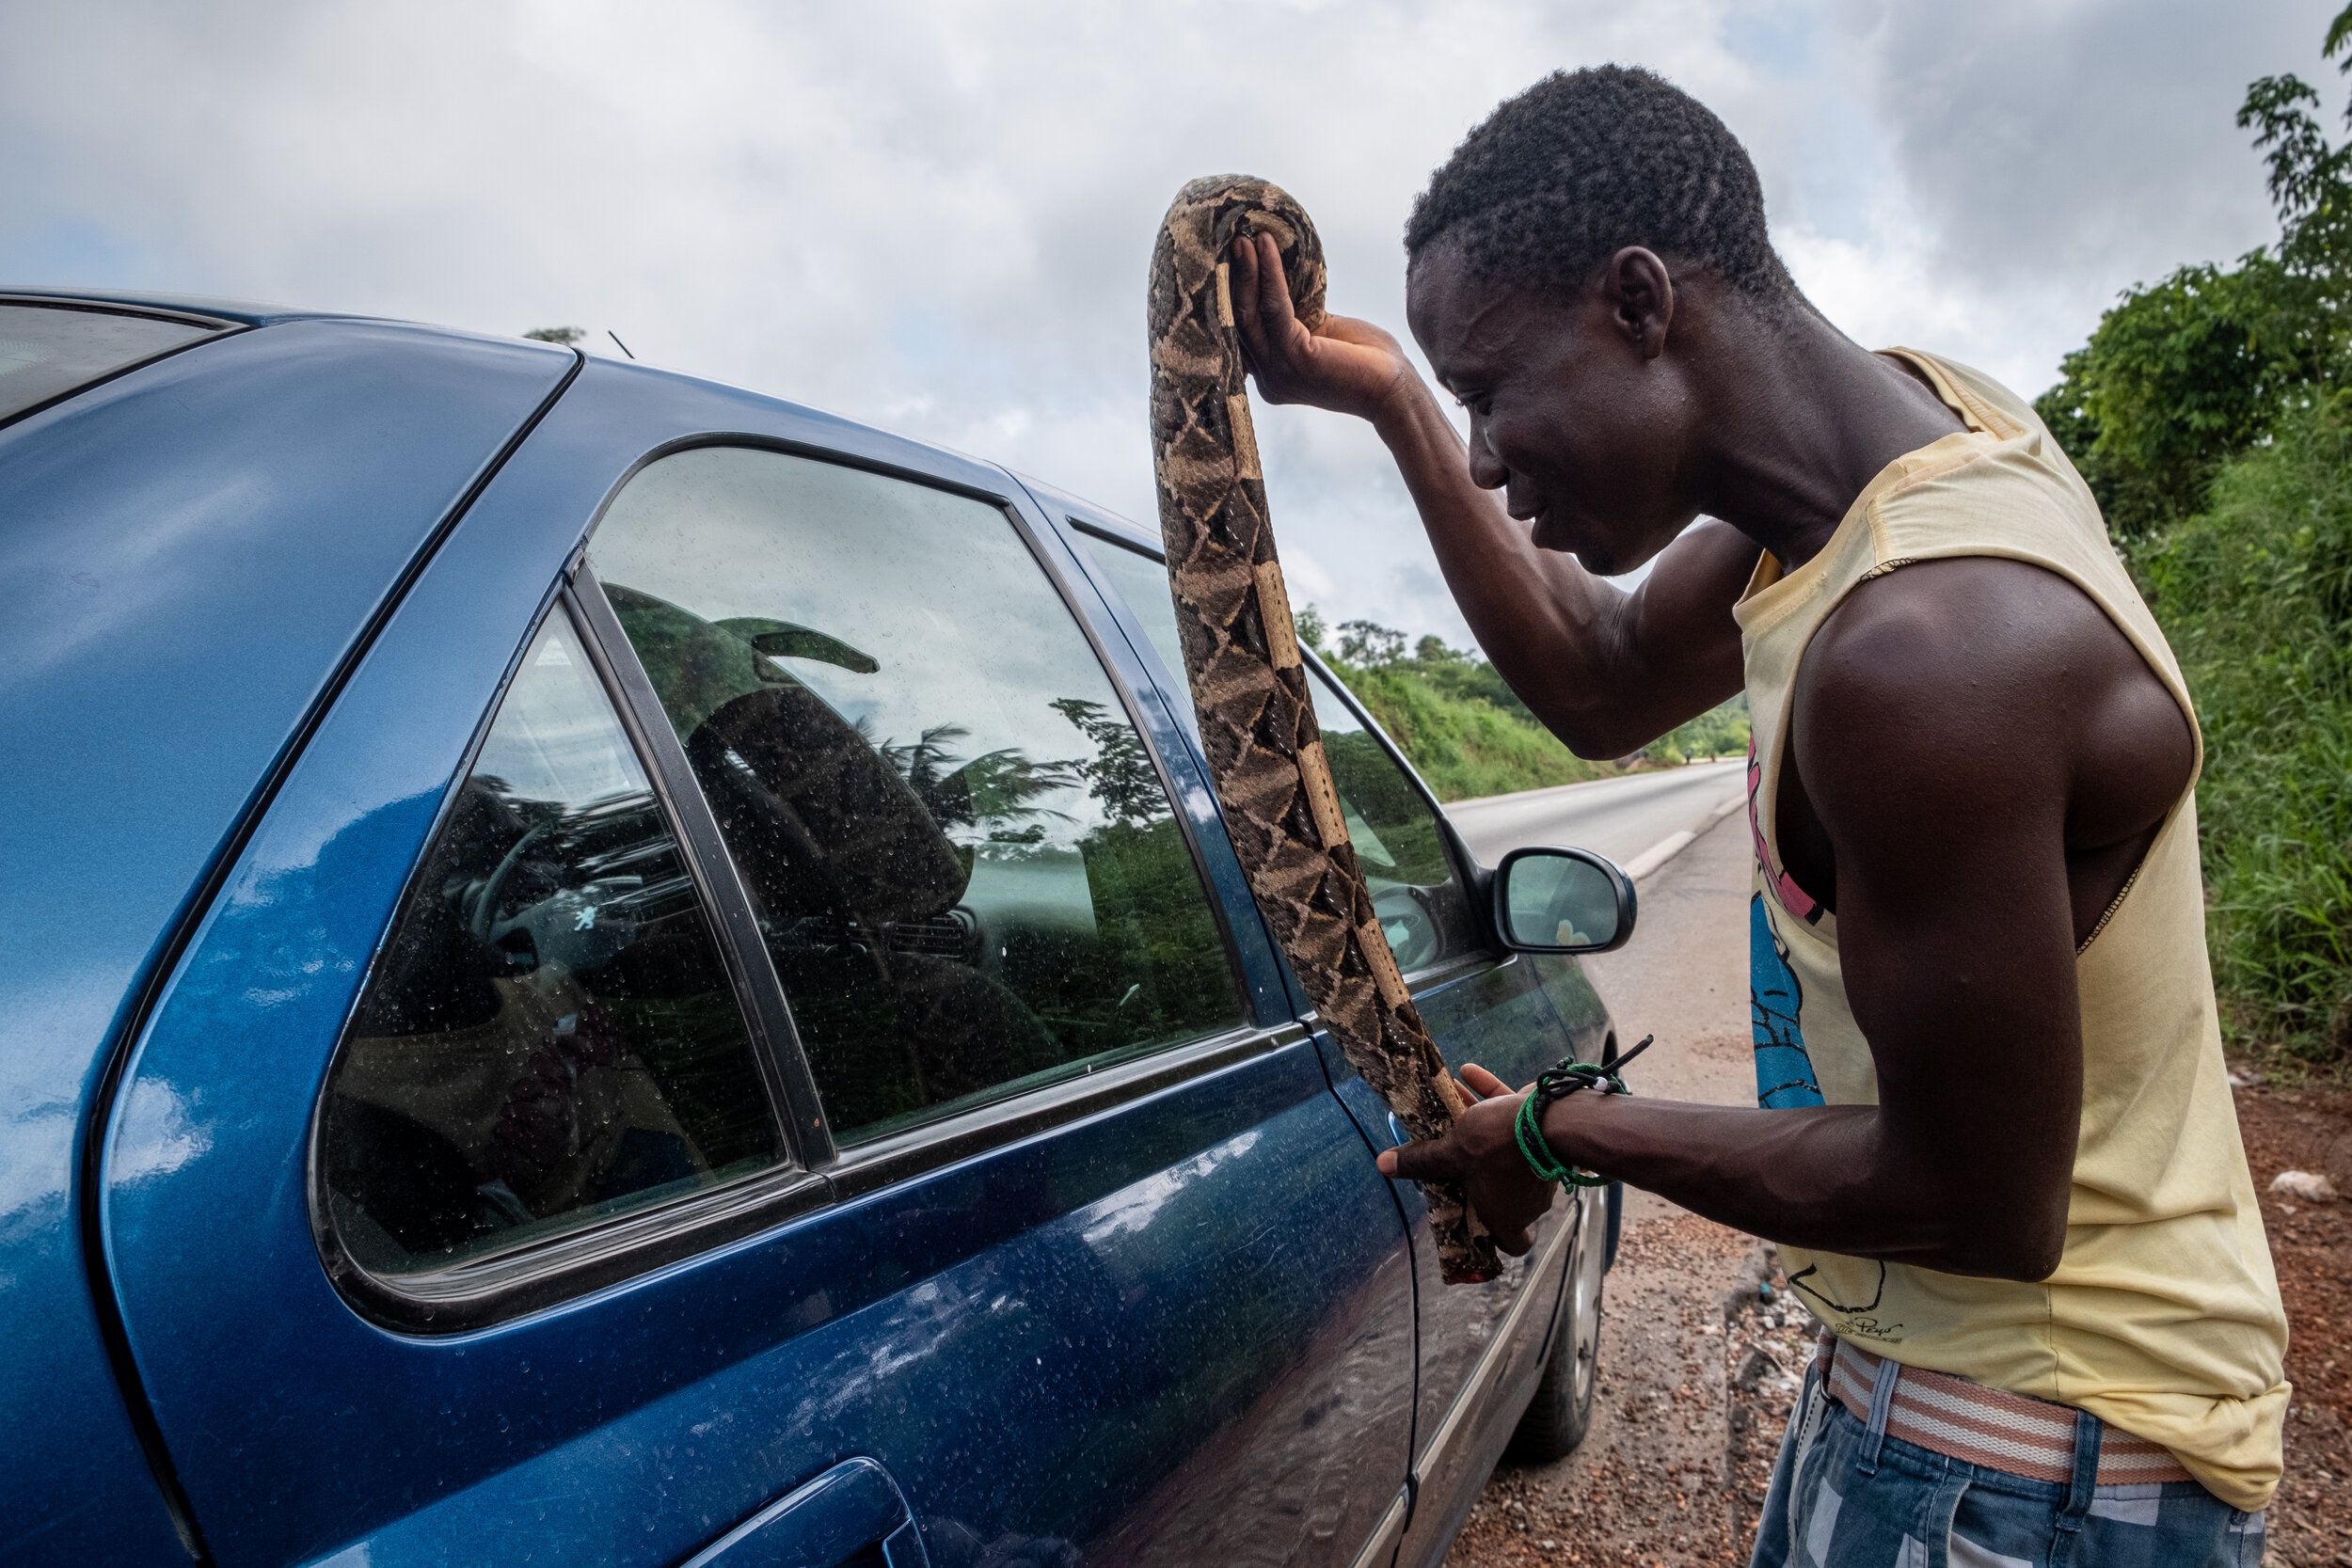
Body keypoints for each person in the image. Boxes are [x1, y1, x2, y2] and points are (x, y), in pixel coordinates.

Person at [1230, 65, 2287, 1568]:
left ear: (1641, 301)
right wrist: (1392, 394)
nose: (1482, 453)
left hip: (2035, 1463)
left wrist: (1554, 1126)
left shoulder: (1926, 655)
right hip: (1939, 1408)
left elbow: (1976, 1197)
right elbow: (1600, 677)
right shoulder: (1922, 440)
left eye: (1488, 391)